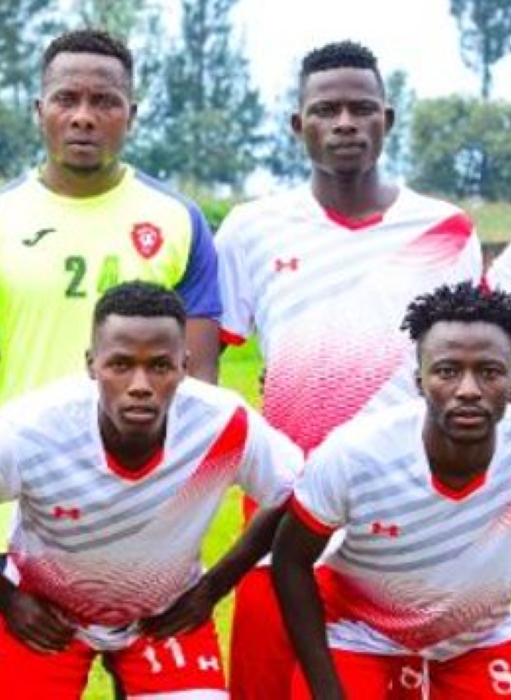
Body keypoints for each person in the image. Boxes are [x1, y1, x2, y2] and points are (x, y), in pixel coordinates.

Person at [214, 41, 482, 698]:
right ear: (295, 124)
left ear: (386, 120)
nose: (343, 123)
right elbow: (202, 370)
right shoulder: (250, 229)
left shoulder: (445, 230)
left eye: (360, 109)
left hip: (407, 517)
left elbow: (475, 372)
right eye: (325, 109)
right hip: (282, 509)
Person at [0, 28, 222, 609]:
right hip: (18, 518)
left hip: (146, 517)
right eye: (67, 99)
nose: (84, 116)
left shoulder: (180, 222)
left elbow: (201, 386)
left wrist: (184, 514)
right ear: (40, 110)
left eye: (104, 101)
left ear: (131, 114)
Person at [0, 282, 299, 698]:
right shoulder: (32, 429)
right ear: (92, 365)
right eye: (121, 365)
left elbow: (297, 494)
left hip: (164, 614)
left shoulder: (223, 424)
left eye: (160, 366)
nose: (140, 384)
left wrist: (212, 589)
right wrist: (3, 596)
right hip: (46, 612)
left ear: (184, 364)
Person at [273, 281, 511, 698]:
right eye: (448, 371)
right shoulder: (357, 455)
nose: (468, 390)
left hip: (482, 637)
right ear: (419, 380)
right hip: (361, 635)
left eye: (489, 372)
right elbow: (291, 563)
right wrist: (326, 688)